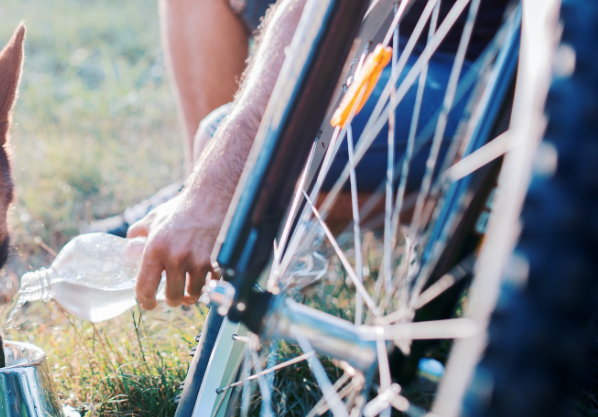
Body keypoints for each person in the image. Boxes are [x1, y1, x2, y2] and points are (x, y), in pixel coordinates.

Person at [128, 0, 512, 310]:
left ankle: (226, 211)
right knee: (228, 146)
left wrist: (217, 182)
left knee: (225, 138)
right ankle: (202, 221)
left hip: (487, 68)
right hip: (388, 30)